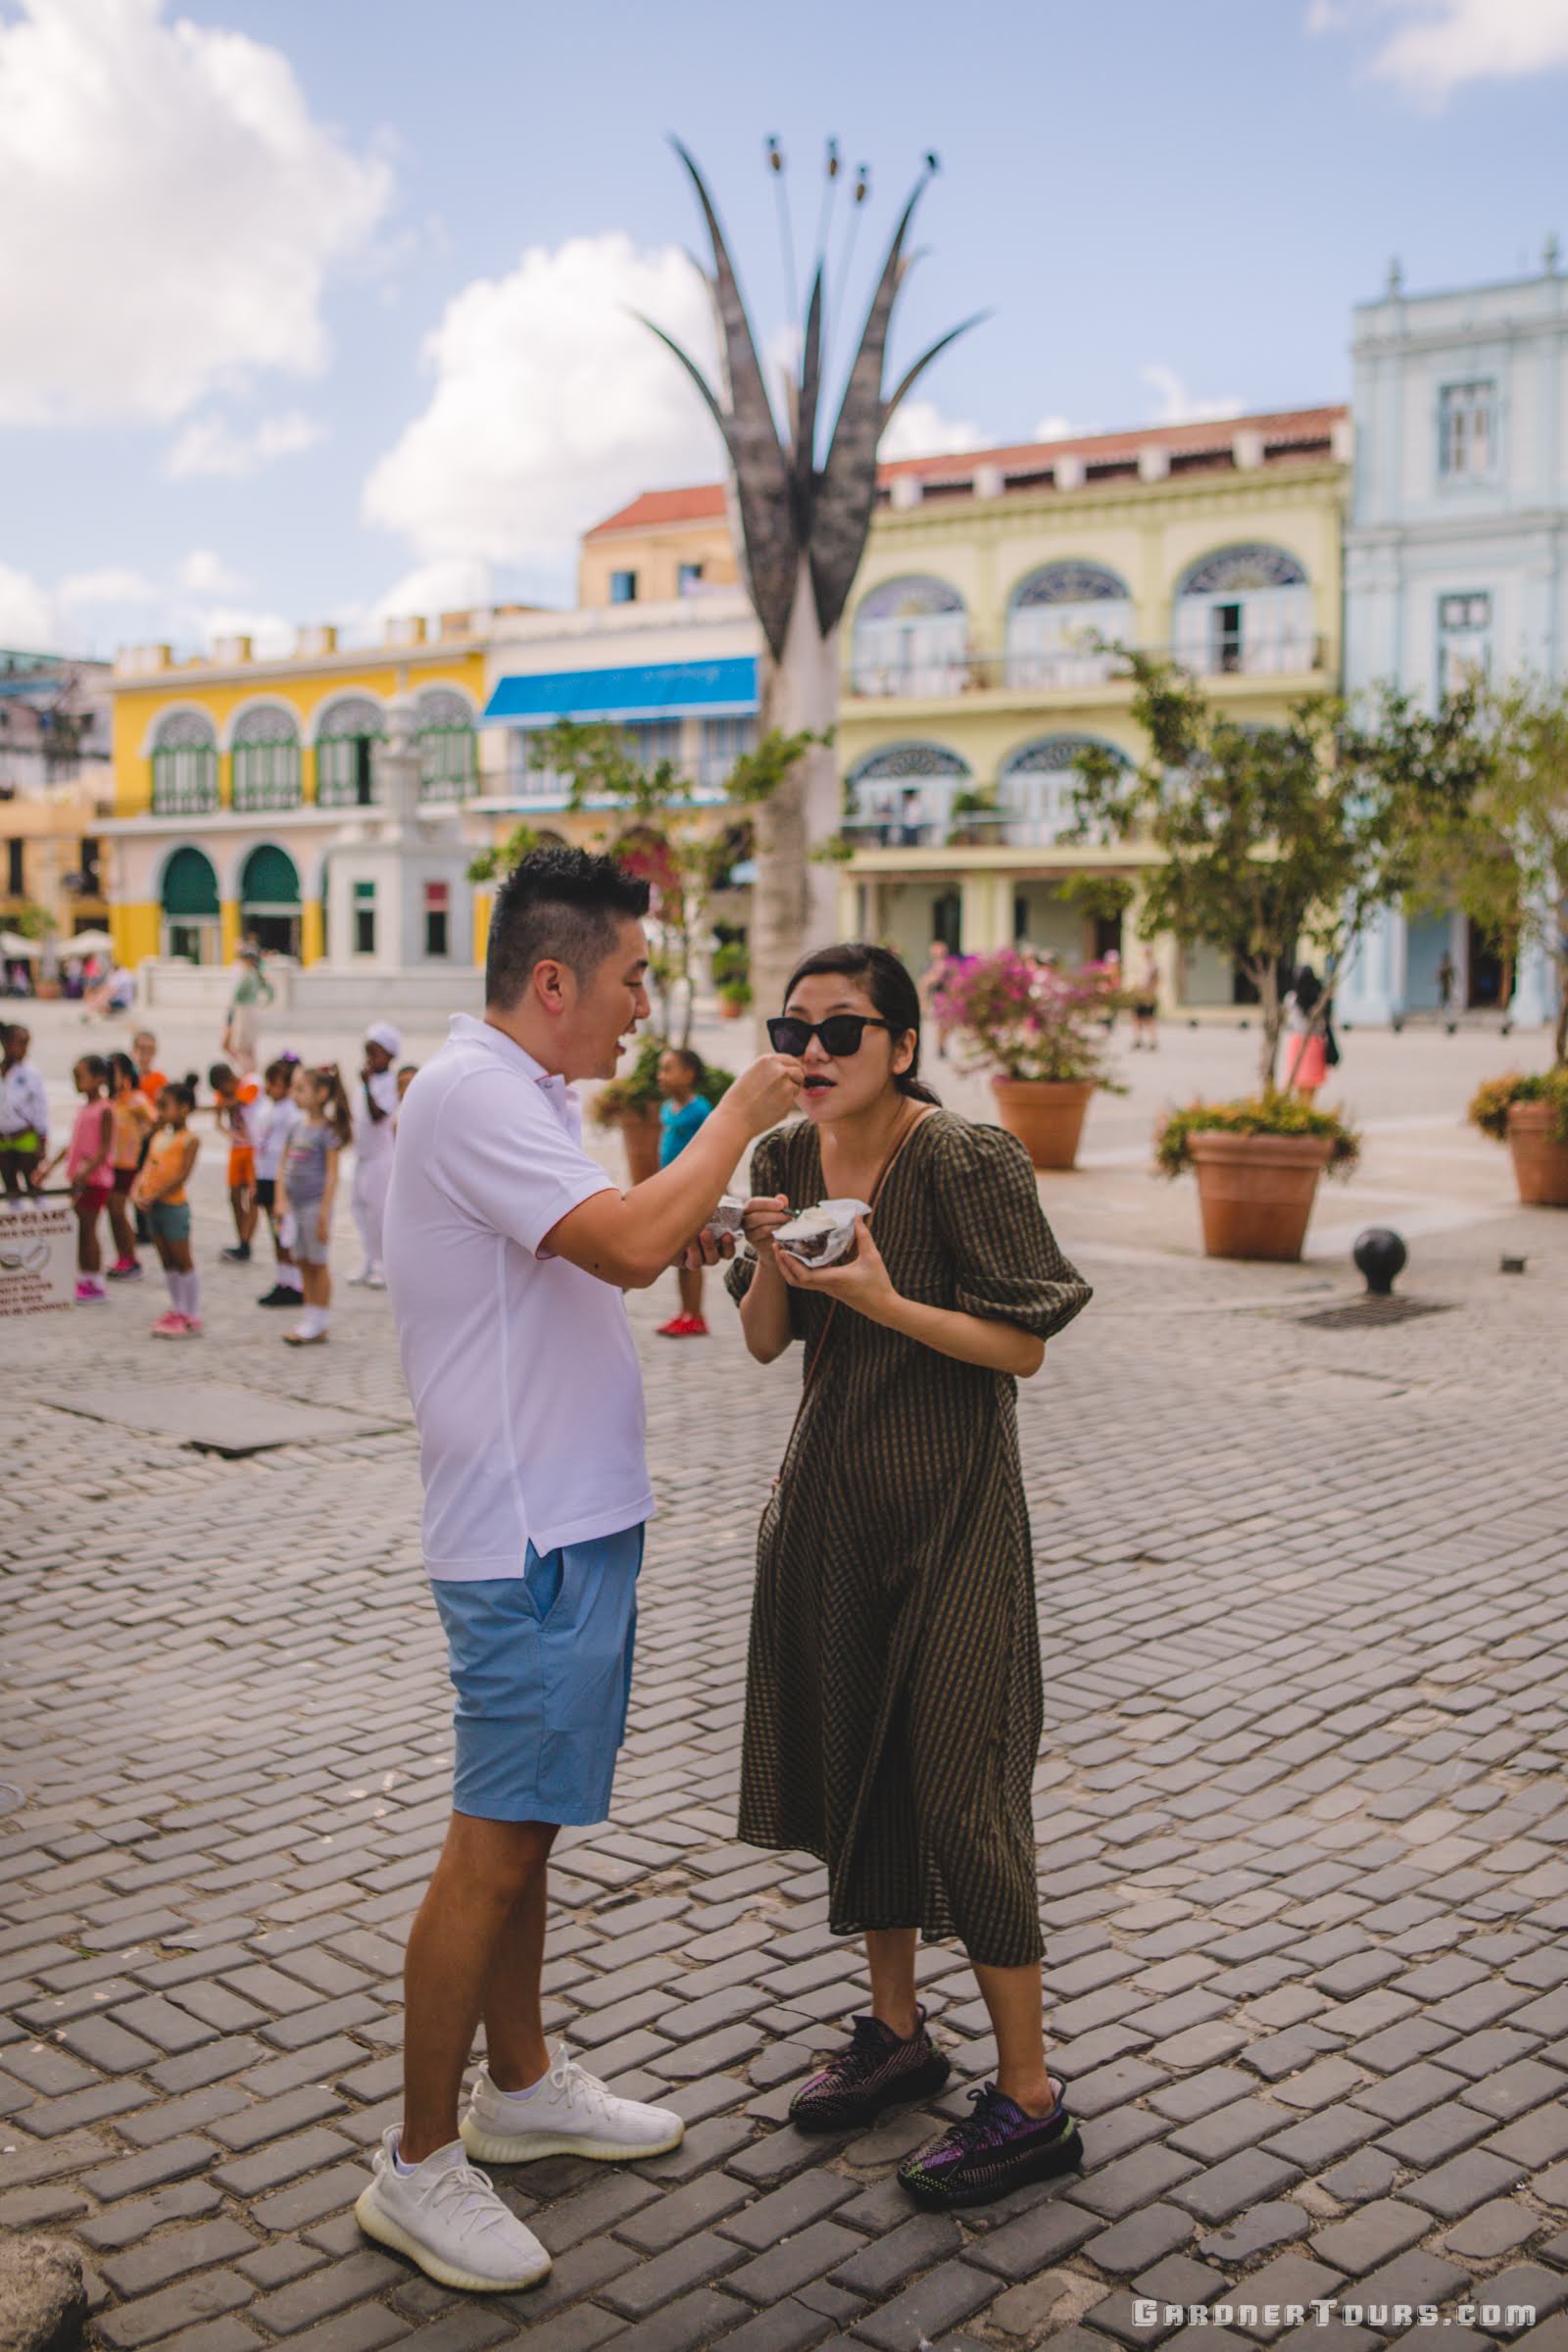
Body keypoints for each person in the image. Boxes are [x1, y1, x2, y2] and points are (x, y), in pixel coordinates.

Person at [361, 846, 802, 2295]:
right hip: (525, 1534)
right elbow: (617, 1249)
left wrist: (719, 1219)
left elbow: (591, 1245)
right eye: (627, 978)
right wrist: (737, 1118)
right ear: (552, 980)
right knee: (492, 1845)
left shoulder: (524, 1093)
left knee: (530, 1829)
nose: (639, 1005)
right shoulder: (475, 1090)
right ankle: (421, 2163)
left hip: (568, 1520)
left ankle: (523, 2082)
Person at [726, 940, 1093, 2213]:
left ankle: (1032, 2099)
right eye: (795, 1029)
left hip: (953, 1513)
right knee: (859, 1772)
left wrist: (880, 1297)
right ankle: (898, 2033)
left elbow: (1022, 1347)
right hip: (828, 1508)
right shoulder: (779, 1159)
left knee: (962, 1784)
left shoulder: (964, 1160)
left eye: (842, 1030)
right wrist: (775, 1267)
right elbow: (769, 1344)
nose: (812, 1053)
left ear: (903, 1045)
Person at [275, 1063, 351, 1347]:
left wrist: (324, 1211)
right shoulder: (296, 1126)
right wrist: (281, 1199)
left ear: (321, 1093)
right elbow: (283, 1165)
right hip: (294, 1207)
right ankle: (309, 1316)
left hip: (314, 1206)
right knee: (302, 1261)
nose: (295, 1094)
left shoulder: (327, 1132)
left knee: (318, 1263)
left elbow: (332, 1174)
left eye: (301, 1089)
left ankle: (319, 1320)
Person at [133, 1077, 203, 1338]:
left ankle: (191, 1313)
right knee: (167, 1260)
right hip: (154, 1206)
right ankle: (177, 1307)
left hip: (173, 1206)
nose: (159, 1112)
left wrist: (155, 1195)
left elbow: (181, 1176)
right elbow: (147, 1167)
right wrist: (139, 1191)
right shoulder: (157, 1136)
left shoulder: (189, 1139)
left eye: (164, 1106)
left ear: (183, 1108)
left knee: (182, 1259)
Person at [40, 1054, 115, 1300]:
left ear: (98, 1078)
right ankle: (86, 1277)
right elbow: (73, 1143)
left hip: (94, 1180)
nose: (76, 1082)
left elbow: (105, 1147)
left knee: (89, 1229)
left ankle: (94, 1281)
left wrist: (88, 1169)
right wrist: (50, 1165)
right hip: (80, 1179)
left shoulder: (104, 1109)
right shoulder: (84, 1108)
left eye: (80, 1077)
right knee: (82, 1229)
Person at [655, 1046, 711, 1337]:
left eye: (668, 1068)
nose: (660, 1075)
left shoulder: (700, 1111)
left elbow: (714, 1152)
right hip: (671, 1194)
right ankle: (685, 1311)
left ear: (688, 1074)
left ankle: (697, 1314)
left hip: (692, 1194)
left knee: (693, 1256)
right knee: (679, 1257)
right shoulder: (668, 1110)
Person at [350, 1023, 400, 1289]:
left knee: (379, 1214)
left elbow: (378, 1115)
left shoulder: (389, 1083)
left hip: (381, 1159)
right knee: (359, 1209)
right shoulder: (366, 1082)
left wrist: (367, 1086)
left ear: (390, 1055)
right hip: (362, 1156)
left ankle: (383, 1264)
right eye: (367, 1051)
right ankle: (369, 1259)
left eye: (375, 1052)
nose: (370, 1058)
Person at [254, 1055, 304, 1309]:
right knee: (274, 1233)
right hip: (264, 1174)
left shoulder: (291, 1113)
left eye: (274, 1084)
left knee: (284, 1232)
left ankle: (295, 1284)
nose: (268, 1088)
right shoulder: (266, 1107)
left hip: (279, 1178)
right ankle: (283, 1279)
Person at [105, 1052, 153, 1279]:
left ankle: (130, 1257)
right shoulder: (112, 1102)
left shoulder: (136, 1100)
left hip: (128, 1164)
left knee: (117, 1210)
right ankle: (123, 1256)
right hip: (111, 1163)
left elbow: (155, 1122)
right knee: (113, 1212)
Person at [209, 1062, 261, 1264]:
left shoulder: (250, 1083)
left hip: (254, 1147)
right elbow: (219, 1121)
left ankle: (246, 1242)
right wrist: (232, 1135)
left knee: (253, 1196)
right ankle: (241, 1239)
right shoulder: (224, 1094)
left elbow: (239, 1102)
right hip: (237, 1148)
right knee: (234, 1194)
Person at [0, 1023, 48, 1197]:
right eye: (19, 1043)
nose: (23, 1049)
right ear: (5, 1043)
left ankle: (38, 1220)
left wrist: (42, 1141)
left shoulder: (30, 1074)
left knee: (33, 1184)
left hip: (26, 1136)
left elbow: (40, 1108)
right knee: (10, 1187)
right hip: (3, 1139)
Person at [222, 942, 273, 1077]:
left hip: (243, 1012)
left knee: (240, 1047)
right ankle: (252, 1074)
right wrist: (263, 1004)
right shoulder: (257, 975)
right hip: (253, 1011)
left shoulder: (247, 975)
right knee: (250, 1048)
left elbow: (237, 995)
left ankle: (247, 1073)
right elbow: (271, 993)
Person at [1282, 963, 1328, 1100]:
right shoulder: (1319, 997)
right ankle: (1308, 1109)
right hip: (1314, 1041)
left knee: (1299, 1079)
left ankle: (1302, 1110)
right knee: (1311, 1083)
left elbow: (1288, 1019)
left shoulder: (1291, 998)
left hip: (1297, 1040)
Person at [1132, 952, 1160, 1051]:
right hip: (1140, 996)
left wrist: (1150, 995)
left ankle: (1152, 1041)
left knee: (1149, 1019)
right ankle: (1138, 1040)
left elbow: (1157, 980)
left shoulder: (1154, 966)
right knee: (1137, 1018)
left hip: (1147, 997)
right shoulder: (1143, 965)